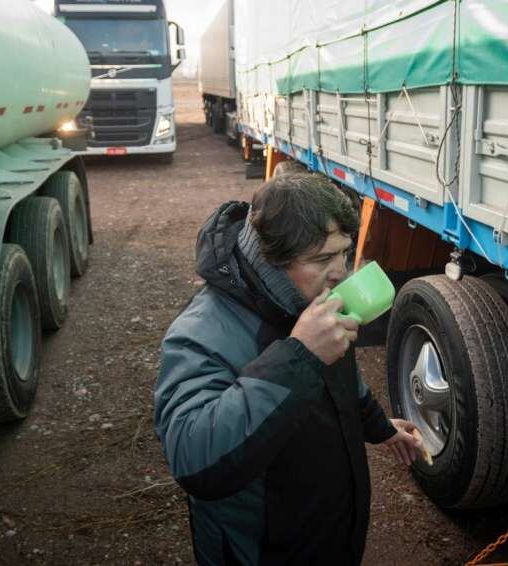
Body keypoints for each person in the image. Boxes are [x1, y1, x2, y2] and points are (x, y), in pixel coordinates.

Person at [154, 172, 422, 565]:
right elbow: (195, 461)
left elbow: (343, 382)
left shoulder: (311, 304)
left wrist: (380, 427)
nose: (341, 272)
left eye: (344, 252)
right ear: (270, 261)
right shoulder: (203, 332)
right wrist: (300, 354)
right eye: (322, 259)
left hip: (327, 538)